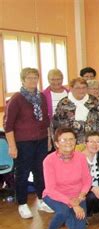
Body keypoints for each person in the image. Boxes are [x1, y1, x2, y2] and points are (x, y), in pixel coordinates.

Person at [4, 68, 53, 219]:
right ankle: (23, 204)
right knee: (22, 173)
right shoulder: (17, 99)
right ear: (23, 80)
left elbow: (46, 120)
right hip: (23, 142)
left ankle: (41, 199)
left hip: (41, 139)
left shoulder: (41, 97)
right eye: (29, 78)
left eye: (35, 78)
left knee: (40, 171)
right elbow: (8, 125)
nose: (33, 81)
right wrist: (12, 146)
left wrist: (49, 138)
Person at [42, 128, 92, 229]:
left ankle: (67, 215)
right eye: (64, 140)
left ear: (76, 141)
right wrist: (73, 204)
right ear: (57, 143)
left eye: (71, 139)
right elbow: (51, 189)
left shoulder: (81, 157)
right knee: (63, 211)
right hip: (55, 196)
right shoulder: (49, 160)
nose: (68, 142)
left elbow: (87, 181)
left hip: (77, 196)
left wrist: (81, 196)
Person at [53, 77, 99, 148]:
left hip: (91, 141)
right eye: (78, 88)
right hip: (71, 142)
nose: (81, 90)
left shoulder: (92, 100)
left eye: (84, 87)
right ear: (71, 88)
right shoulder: (64, 103)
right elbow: (57, 124)